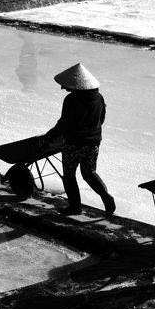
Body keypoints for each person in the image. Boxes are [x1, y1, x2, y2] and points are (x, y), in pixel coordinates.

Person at [43, 63, 115, 216]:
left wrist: (49, 137)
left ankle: (75, 207)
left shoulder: (71, 100)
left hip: (74, 143)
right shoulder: (99, 97)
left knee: (69, 175)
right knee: (90, 173)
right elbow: (101, 119)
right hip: (94, 143)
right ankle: (106, 197)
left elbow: (64, 123)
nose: (63, 88)